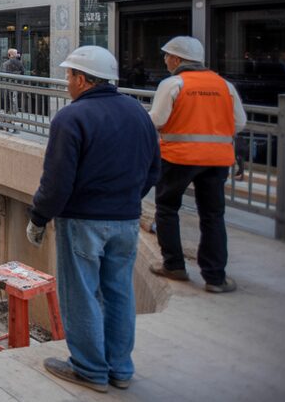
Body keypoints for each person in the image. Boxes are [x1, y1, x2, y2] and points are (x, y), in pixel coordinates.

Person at [26, 46, 159, 393]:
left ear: (82, 80)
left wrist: (39, 217)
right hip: (126, 220)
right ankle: (120, 367)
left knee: (81, 293)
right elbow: (153, 168)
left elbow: (56, 181)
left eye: (69, 75)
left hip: (83, 221)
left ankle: (89, 368)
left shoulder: (71, 118)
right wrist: (127, 201)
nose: (67, 81)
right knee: (119, 292)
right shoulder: (137, 112)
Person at [148, 36, 246, 293]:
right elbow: (239, 123)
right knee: (213, 215)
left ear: (178, 59)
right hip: (217, 160)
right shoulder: (225, 85)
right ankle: (215, 277)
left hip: (178, 157)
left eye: (167, 56)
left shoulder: (173, 84)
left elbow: (157, 119)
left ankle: (174, 265)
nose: (165, 60)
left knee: (167, 208)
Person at [0, 48, 24, 133]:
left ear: (9, 55)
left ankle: (7, 124)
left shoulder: (5, 64)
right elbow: (22, 74)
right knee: (14, 106)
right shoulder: (20, 64)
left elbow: (2, 76)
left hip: (7, 88)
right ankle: (12, 122)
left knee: (7, 106)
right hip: (16, 88)